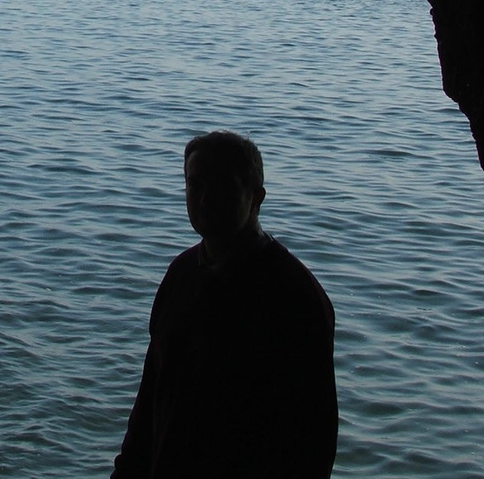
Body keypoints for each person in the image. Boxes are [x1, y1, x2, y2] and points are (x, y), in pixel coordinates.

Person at [111, 131, 338, 478]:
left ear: (256, 197)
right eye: (195, 185)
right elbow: (151, 399)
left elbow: (312, 439)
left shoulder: (293, 296)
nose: (205, 199)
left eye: (222, 186)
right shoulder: (181, 274)